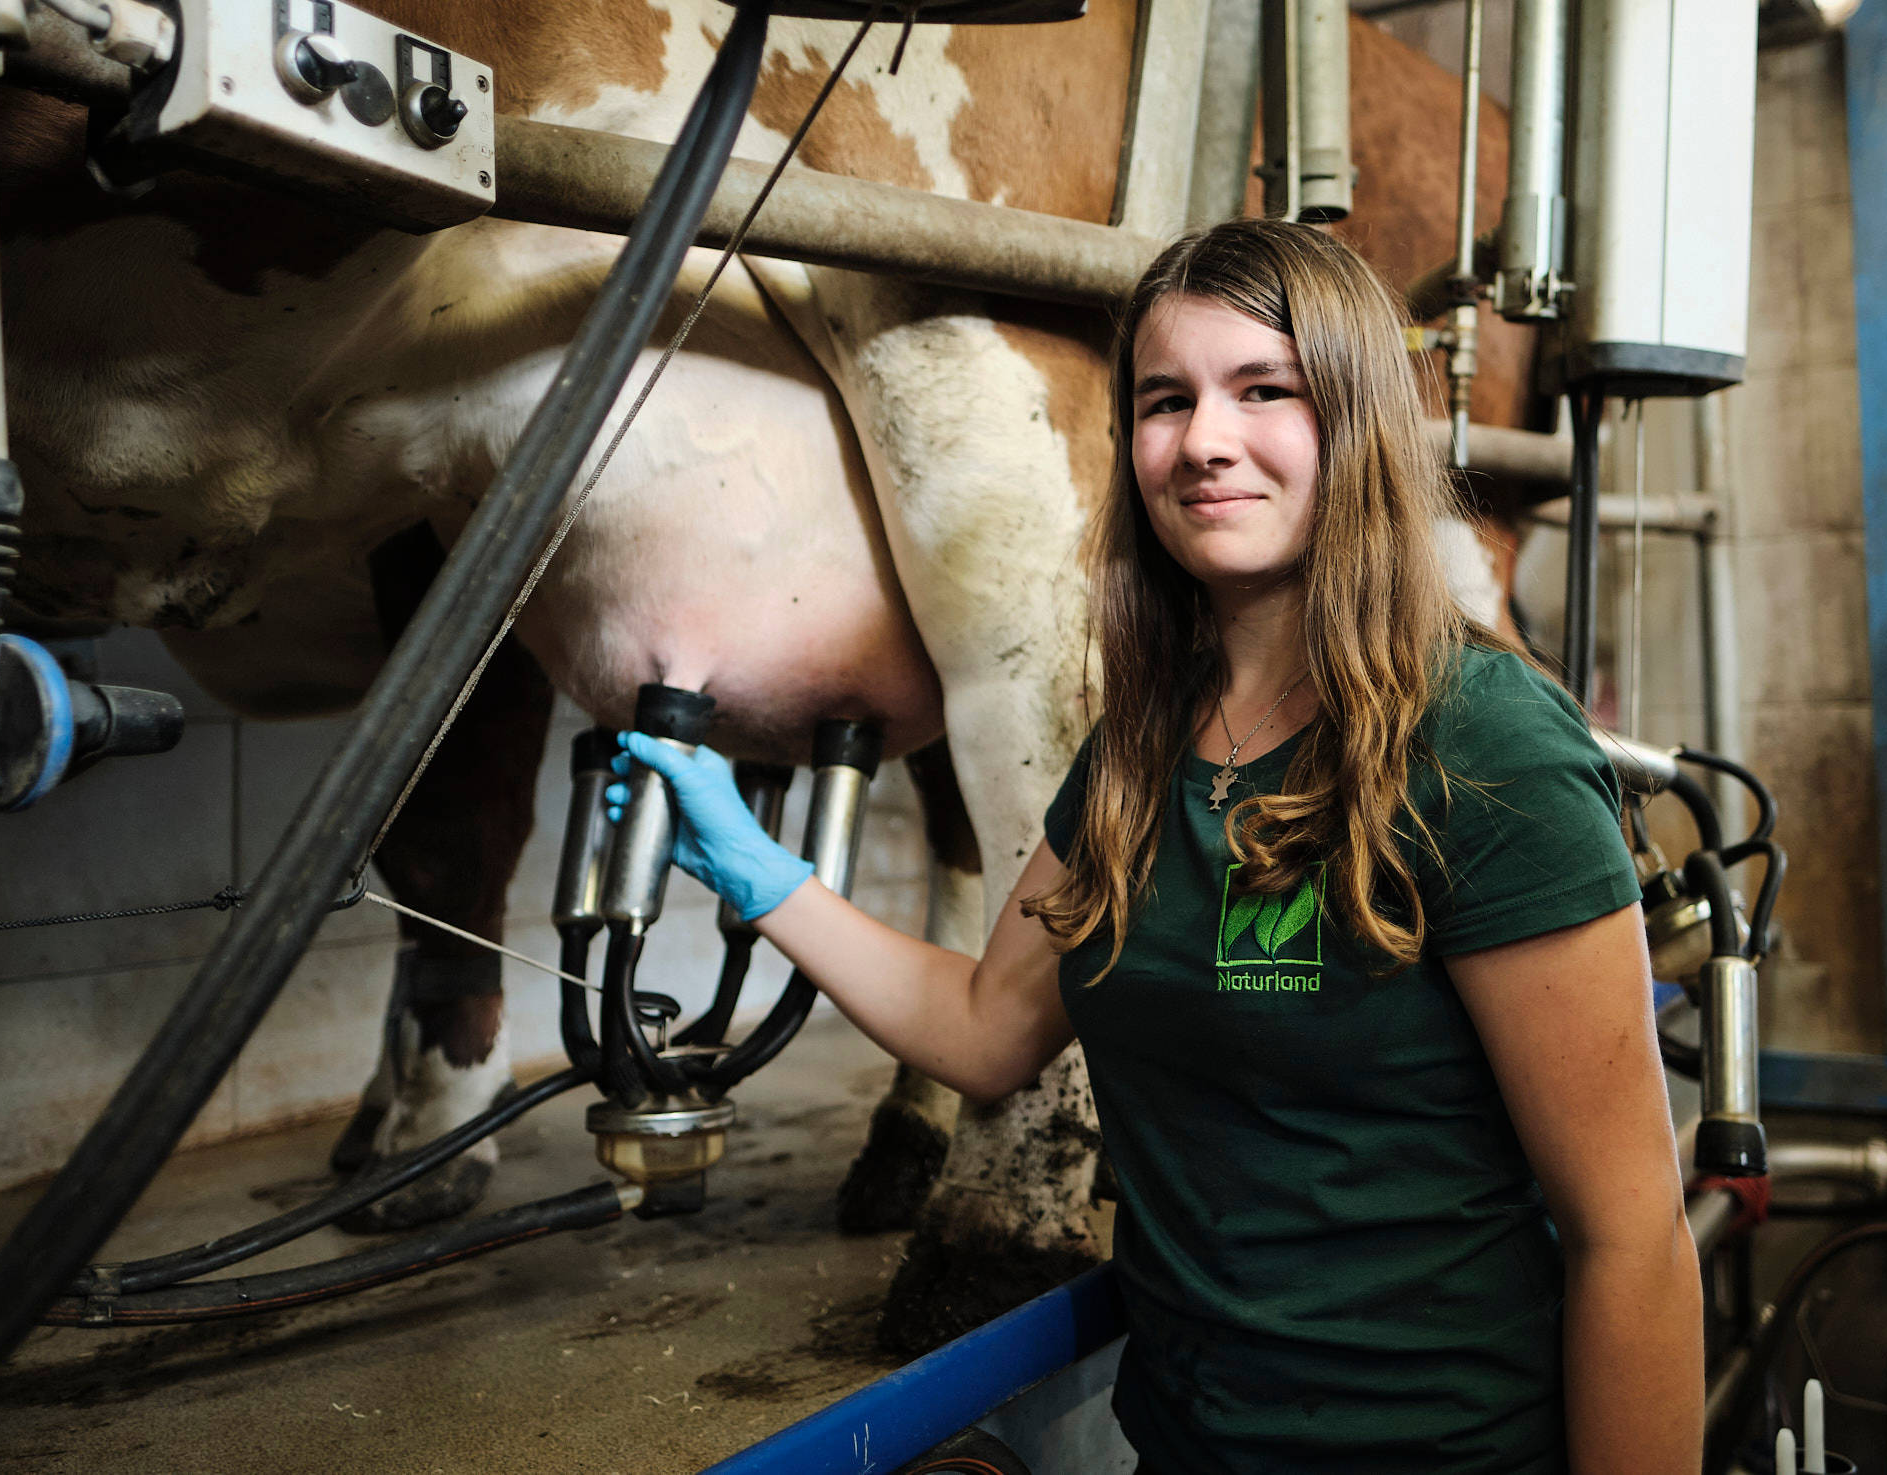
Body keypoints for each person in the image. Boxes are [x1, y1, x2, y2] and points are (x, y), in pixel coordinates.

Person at [611, 218, 1703, 1473]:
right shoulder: (1143, 747)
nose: (1203, 443)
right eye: (1163, 400)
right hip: (1184, 1445)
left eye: (1263, 390)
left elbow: (1630, 1235)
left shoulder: (1482, 741)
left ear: (1355, 418)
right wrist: (759, 868)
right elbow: (982, 1027)